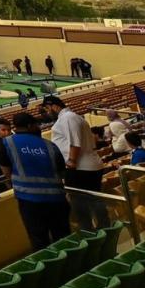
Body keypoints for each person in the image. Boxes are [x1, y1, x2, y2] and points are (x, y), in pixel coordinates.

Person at [0, 112, 71, 250]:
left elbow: (6, 172)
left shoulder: (7, 142)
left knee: (39, 240)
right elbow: (62, 171)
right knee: (63, 238)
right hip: (57, 198)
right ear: (31, 125)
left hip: (29, 200)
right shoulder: (49, 145)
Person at [40, 94, 106, 230]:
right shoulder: (71, 117)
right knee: (93, 201)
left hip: (80, 168)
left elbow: (75, 143)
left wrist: (71, 162)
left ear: (54, 106)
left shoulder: (68, 118)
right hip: (86, 166)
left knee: (81, 206)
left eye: (47, 109)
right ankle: (102, 230)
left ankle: (91, 234)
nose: (47, 112)